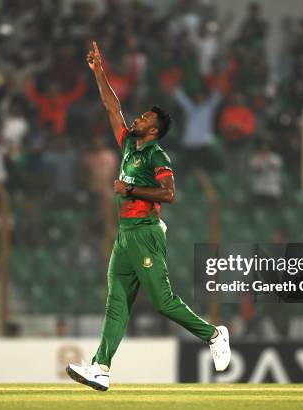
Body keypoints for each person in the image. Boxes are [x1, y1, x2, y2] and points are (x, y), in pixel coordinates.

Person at [65, 42, 230, 392]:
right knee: (116, 301)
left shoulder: (156, 154)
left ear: (153, 130)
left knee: (163, 302)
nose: (137, 119)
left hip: (145, 231)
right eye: (139, 116)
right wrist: (99, 72)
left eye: (145, 119)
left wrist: (131, 190)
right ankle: (101, 367)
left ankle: (214, 334)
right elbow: (113, 107)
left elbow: (169, 195)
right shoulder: (129, 145)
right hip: (126, 233)